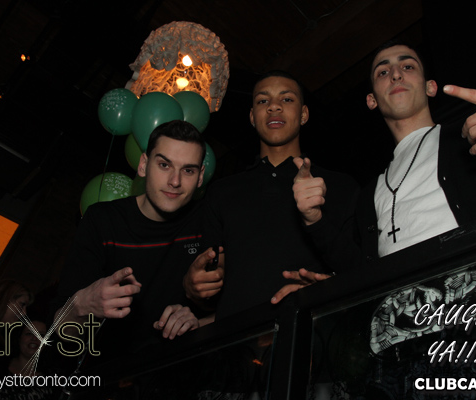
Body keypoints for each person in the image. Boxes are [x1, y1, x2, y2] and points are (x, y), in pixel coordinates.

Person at [294, 39, 476, 264]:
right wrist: (314, 221)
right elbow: (361, 274)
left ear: (430, 87)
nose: (396, 74)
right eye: (383, 71)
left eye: (408, 67)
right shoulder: (370, 194)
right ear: (372, 100)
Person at [183, 71, 359, 319]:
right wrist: (195, 289)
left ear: (304, 114)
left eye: (286, 99)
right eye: (263, 101)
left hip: (309, 336)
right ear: (252, 117)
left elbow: (361, 273)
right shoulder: (222, 192)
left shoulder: (341, 186)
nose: (273, 106)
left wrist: (326, 289)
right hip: (236, 339)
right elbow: (209, 293)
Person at [54, 120, 208, 358]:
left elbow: (237, 305)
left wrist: (198, 323)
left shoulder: (206, 222)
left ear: (200, 177)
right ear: (144, 165)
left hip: (173, 370)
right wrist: (82, 305)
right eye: (164, 165)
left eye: (188, 170)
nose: (175, 181)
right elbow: (59, 331)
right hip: (103, 371)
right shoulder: (103, 221)